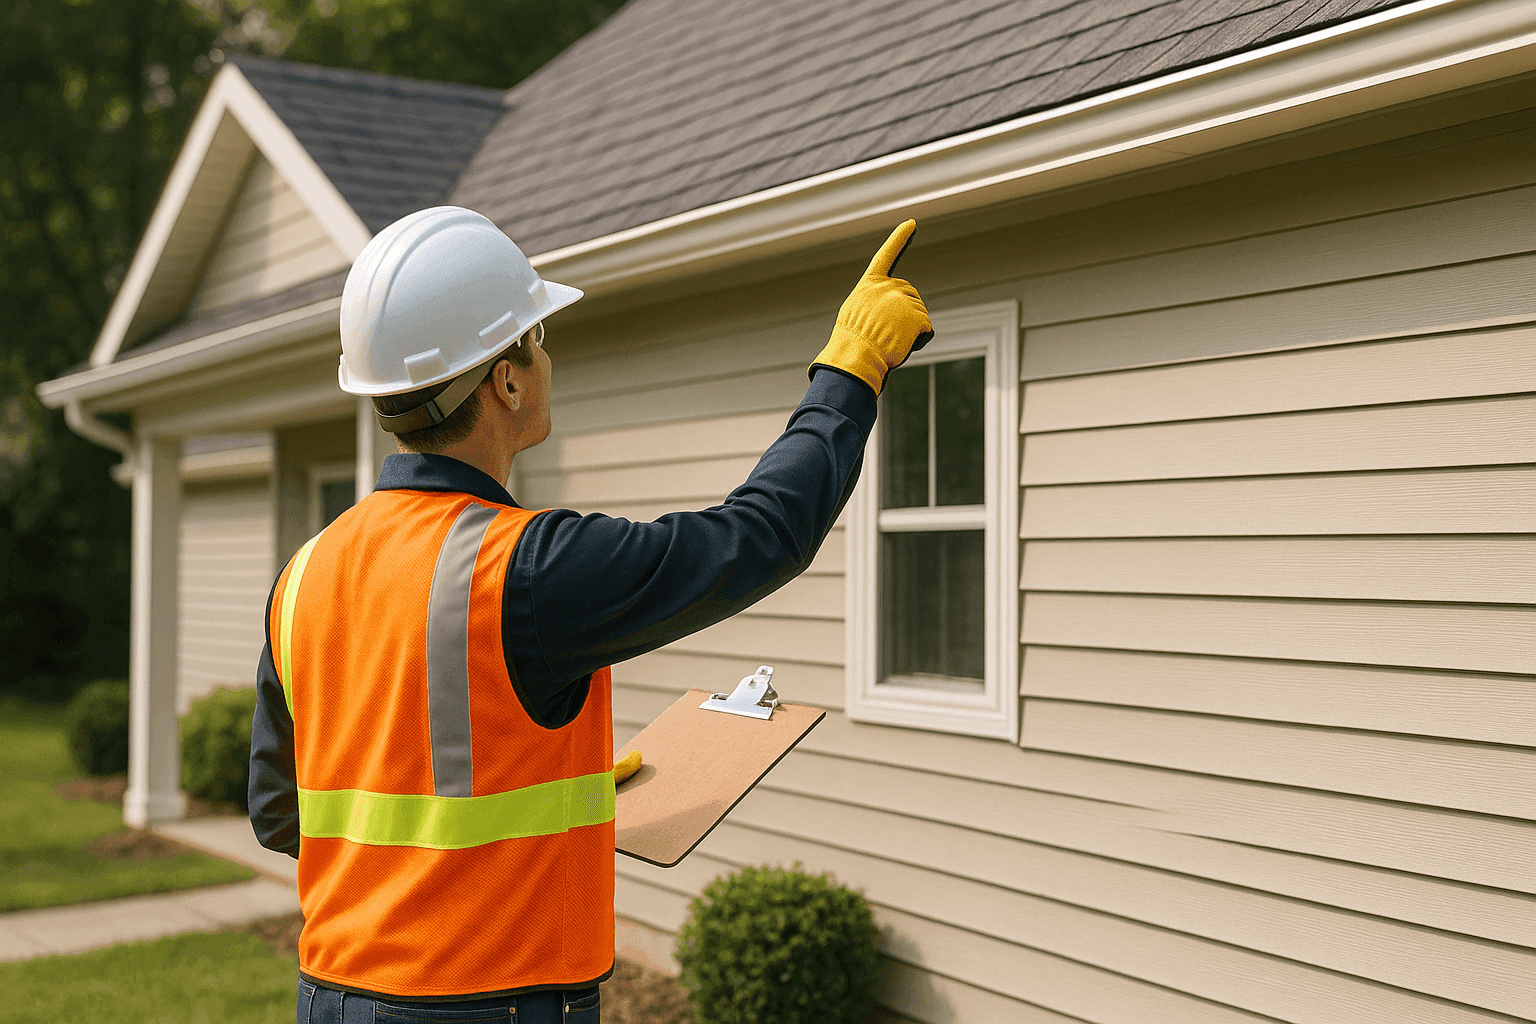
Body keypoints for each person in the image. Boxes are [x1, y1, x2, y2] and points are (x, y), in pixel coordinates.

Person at [249, 205, 932, 1024]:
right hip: (479, 1005)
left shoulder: (304, 572)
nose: (545, 359)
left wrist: (522, 792)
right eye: (537, 340)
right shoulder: (524, 570)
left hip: (330, 997)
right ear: (506, 378)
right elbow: (759, 537)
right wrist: (850, 369)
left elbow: (282, 813)